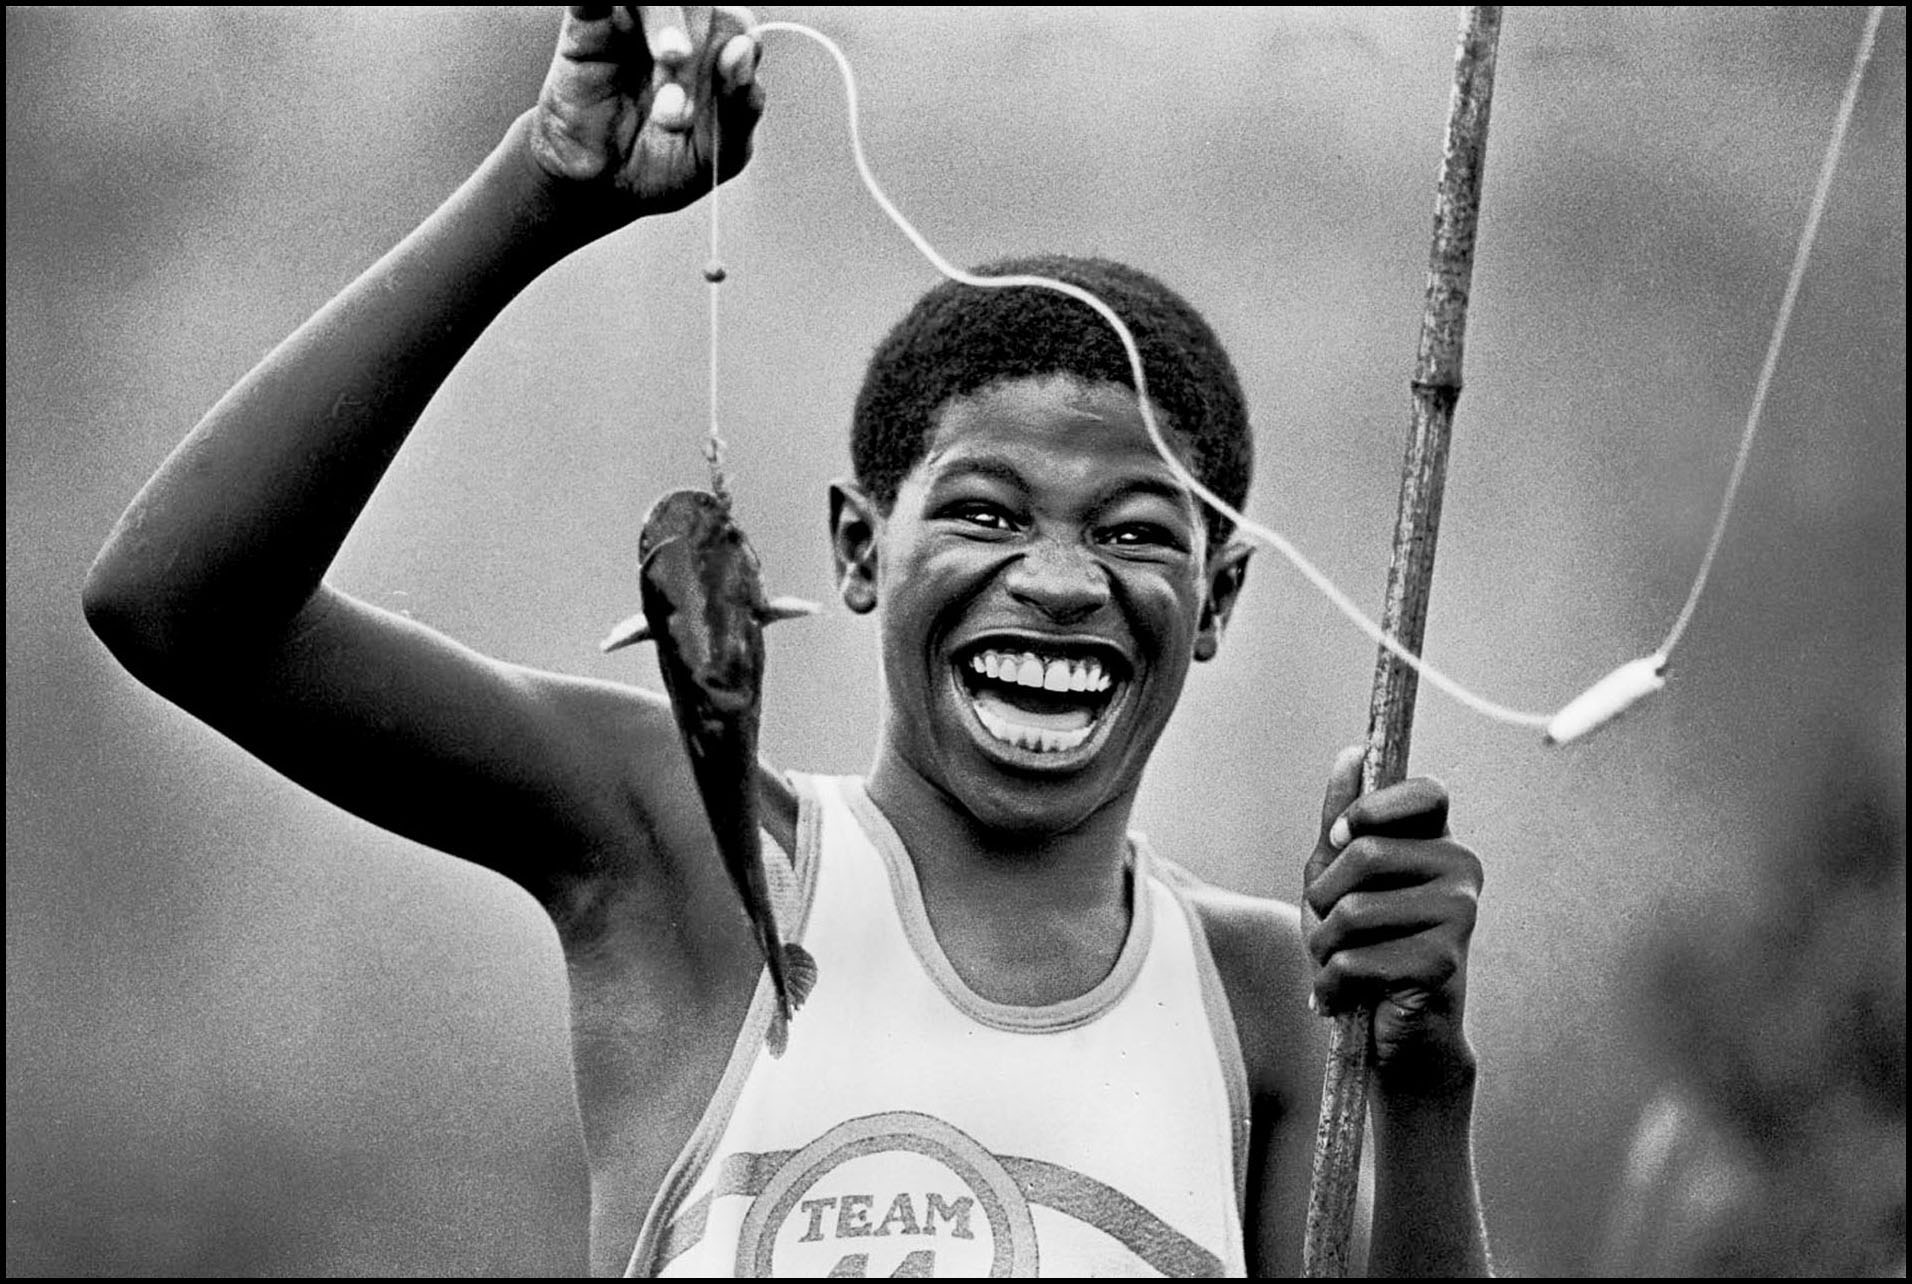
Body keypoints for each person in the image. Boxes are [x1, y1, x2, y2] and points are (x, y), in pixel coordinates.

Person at [83, 7, 1490, 1277]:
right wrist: (540, 191)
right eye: (987, 514)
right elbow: (178, 609)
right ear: (859, 552)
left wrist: (1423, 1083)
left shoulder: (1271, 1000)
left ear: (1219, 597)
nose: (1062, 582)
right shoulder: (681, 855)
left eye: (1133, 532)